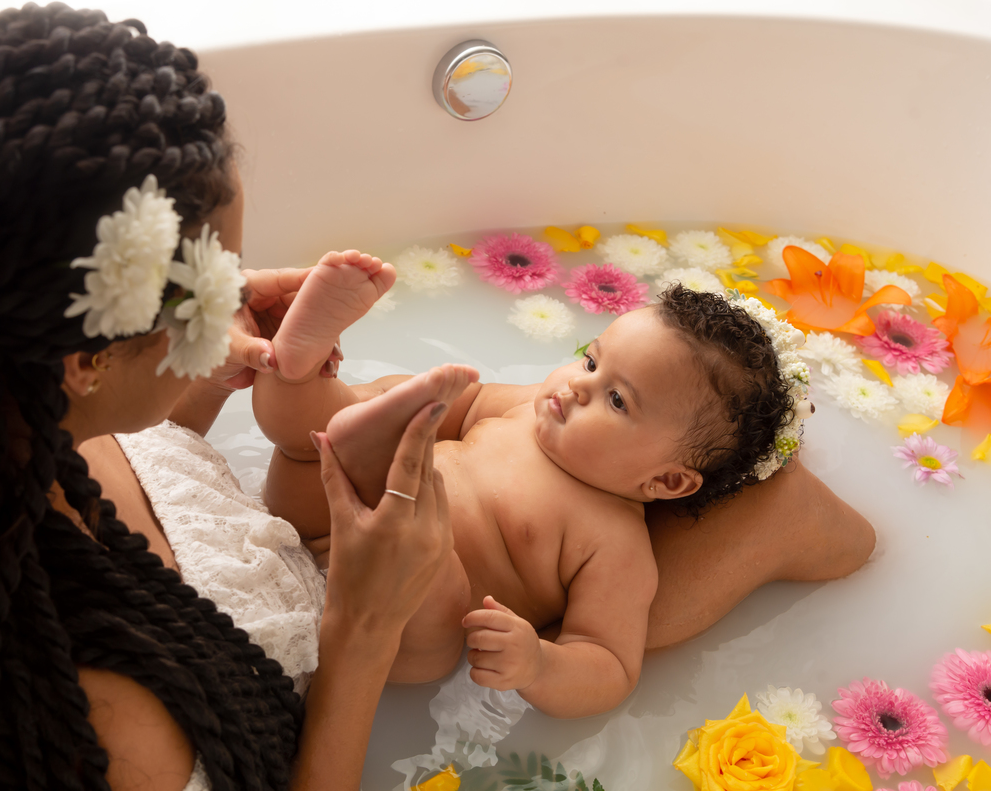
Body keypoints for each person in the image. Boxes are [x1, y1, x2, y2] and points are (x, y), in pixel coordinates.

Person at [0, 3, 456, 791]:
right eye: (214, 285)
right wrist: (364, 630)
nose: (239, 291)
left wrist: (196, 355)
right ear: (86, 360)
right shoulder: (121, 729)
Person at [250, 253, 860, 719]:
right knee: (311, 443)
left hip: (404, 619)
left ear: (668, 479)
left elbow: (609, 665)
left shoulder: (613, 545)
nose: (575, 386)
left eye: (617, 400)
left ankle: (372, 446)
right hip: (321, 518)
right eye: (590, 361)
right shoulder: (529, 411)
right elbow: (468, 400)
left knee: (435, 564)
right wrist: (407, 399)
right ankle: (302, 370)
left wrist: (538, 662)